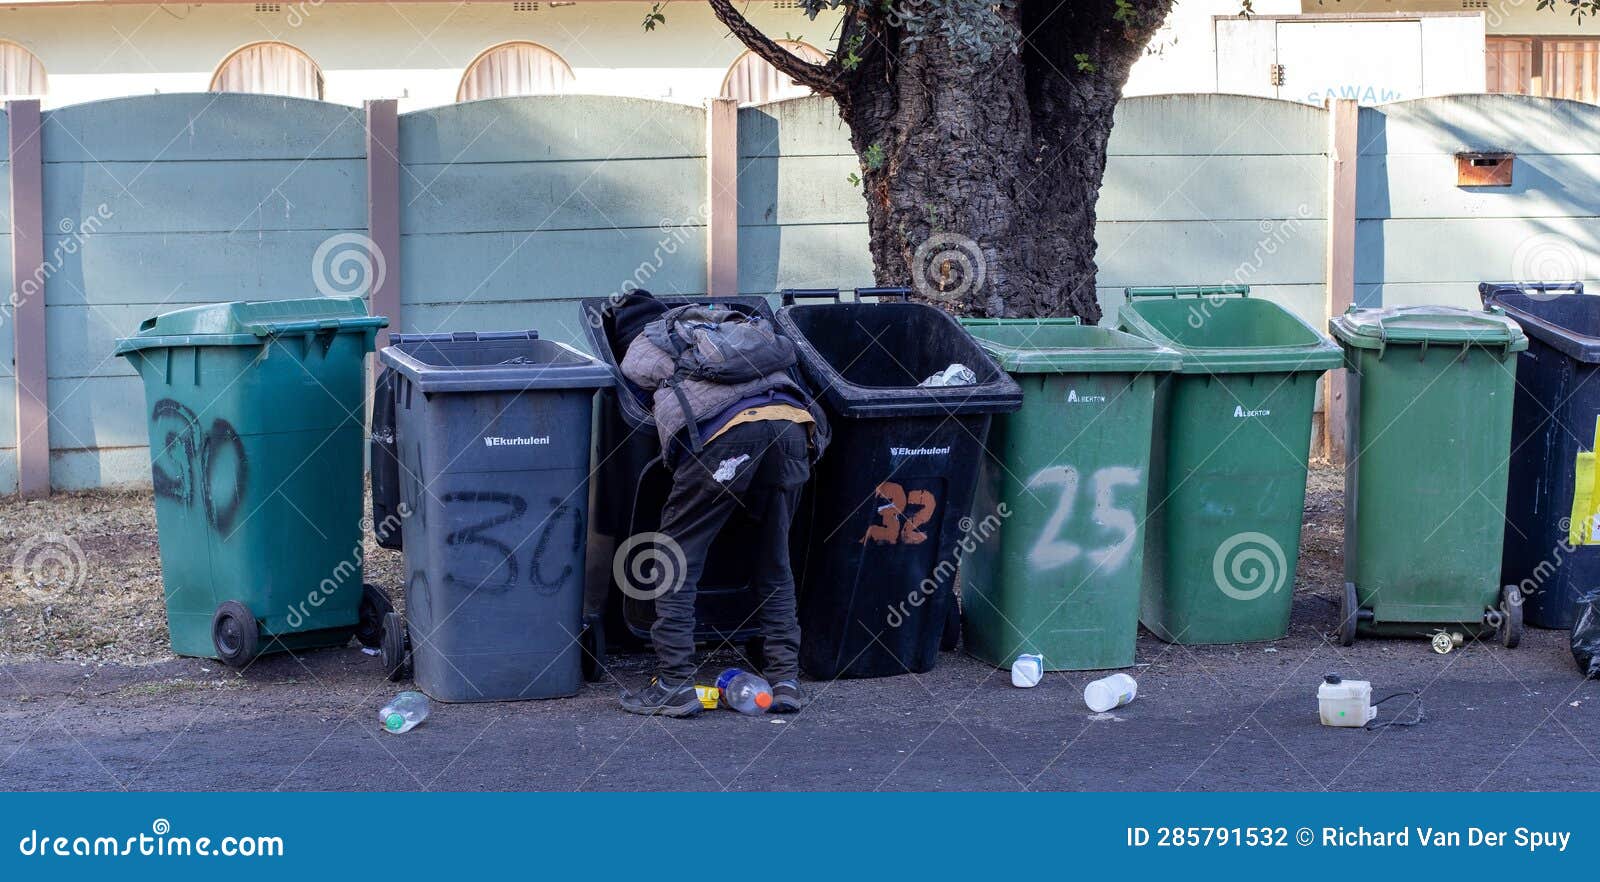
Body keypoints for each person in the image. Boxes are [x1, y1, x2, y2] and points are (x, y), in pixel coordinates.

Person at [611, 291, 829, 717]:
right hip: (792, 426)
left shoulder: (646, 342)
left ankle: (674, 684)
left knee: (678, 554)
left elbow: (636, 403)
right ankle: (785, 680)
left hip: (726, 435)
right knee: (774, 555)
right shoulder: (730, 327)